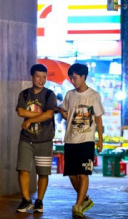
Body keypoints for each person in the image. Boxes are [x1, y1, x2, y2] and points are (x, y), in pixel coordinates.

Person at [56, 63, 104, 218]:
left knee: (83, 173)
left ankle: (78, 206)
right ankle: (85, 199)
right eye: (71, 78)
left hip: (87, 141)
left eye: (75, 77)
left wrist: (100, 139)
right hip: (70, 140)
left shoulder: (94, 96)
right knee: (71, 174)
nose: (72, 80)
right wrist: (62, 112)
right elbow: (66, 113)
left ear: (83, 77)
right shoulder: (69, 95)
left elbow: (98, 119)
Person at [14, 64, 57, 213]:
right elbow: (20, 111)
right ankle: (26, 200)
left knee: (43, 172)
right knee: (22, 169)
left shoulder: (49, 94)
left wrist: (30, 119)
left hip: (45, 140)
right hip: (26, 139)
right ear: (32, 77)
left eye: (44, 77)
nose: (41, 80)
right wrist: (40, 115)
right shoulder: (24, 94)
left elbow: (49, 115)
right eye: (38, 76)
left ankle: (39, 201)